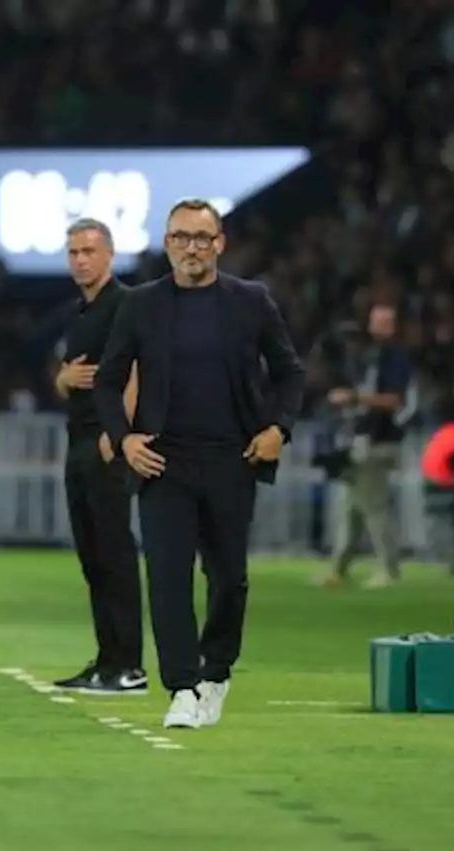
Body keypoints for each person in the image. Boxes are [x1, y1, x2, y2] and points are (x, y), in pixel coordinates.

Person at [95, 199, 305, 729]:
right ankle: (183, 688)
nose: (192, 247)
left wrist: (279, 429)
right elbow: (107, 379)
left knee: (229, 578)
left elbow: (289, 371)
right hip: (163, 462)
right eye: (182, 237)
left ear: (220, 244)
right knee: (166, 578)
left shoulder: (251, 301)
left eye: (202, 238)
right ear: (167, 244)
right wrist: (124, 440)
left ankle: (216, 672)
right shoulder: (141, 304)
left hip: (233, 460)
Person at [52, 218, 145, 694]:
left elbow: (139, 369)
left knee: (115, 551)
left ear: (109, 253)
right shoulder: (80, 313)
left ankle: (129, 663)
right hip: (78, 440)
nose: (81, 259)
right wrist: (63, 381)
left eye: (89, 250)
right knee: (92, 555)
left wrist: (119, 432)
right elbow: (66, 377)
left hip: (106, 442)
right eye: (73, 252)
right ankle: (108, 658)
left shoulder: (126, 305)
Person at [318, 303, 415, 588]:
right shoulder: (372, 357)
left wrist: (354, 398)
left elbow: (394, 400)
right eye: (376, 322)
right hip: (363, 439)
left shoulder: (396, 357)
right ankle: (339, 567)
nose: (379, 328)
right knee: (352, 507)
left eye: (386, 322)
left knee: (374, 506)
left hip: (381, 440)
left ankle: (389, 569)